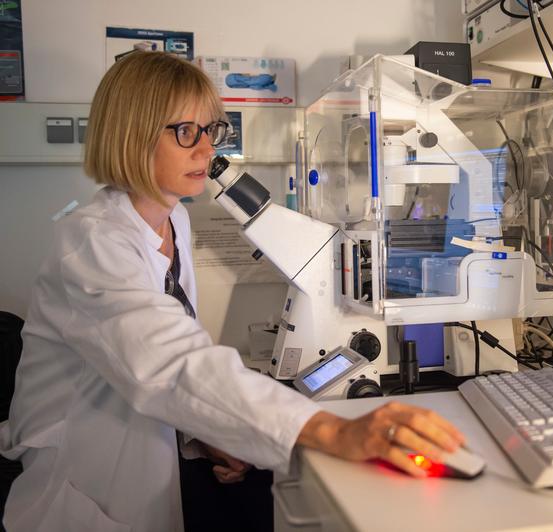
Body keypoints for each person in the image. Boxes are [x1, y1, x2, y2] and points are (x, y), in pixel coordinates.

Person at [0, 51, 465, 532]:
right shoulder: (91, 242)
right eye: (186, 132)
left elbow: (167, 359)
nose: (206, 150)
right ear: (133, 135)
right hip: (84, 488)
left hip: (154, 457)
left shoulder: (173, 219)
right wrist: (328, 429)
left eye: (211, 131)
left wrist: (207, 433)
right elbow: (165, 363)